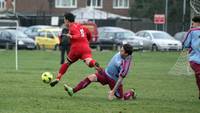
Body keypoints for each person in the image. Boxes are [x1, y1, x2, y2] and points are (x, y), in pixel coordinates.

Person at [64, 44, 136, 101]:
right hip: (105, 73)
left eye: (122, 51)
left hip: (114, 81)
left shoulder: (125, 65)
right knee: (91, 77)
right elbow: (113, 63)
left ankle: (131, 92)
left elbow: (120, 79)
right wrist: (100, 69)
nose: (120, 51)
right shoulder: (122, 53)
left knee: (121, 98)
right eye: (121, 49)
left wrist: (113, 92)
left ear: (126, 54)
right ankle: (73, 90)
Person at [50, 12, 102, 87]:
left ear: (67, 20)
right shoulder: (80, 26)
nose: (64, 21)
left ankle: (58, 78)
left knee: (67, 63)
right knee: (89, 62)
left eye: (64, 20)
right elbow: (88, 33)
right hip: (86, 47)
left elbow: (78, 35)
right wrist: (88, 41)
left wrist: (71, 36)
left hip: (76, 48)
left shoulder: (72, 27)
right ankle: (94, 64)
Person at [182, 15, 200, 100]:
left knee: (198, 77)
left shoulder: (192, 31)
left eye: (193, 23)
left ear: (197, 23)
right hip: (196, 59)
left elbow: (185, 44)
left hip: (195, 60)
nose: (192, 25)